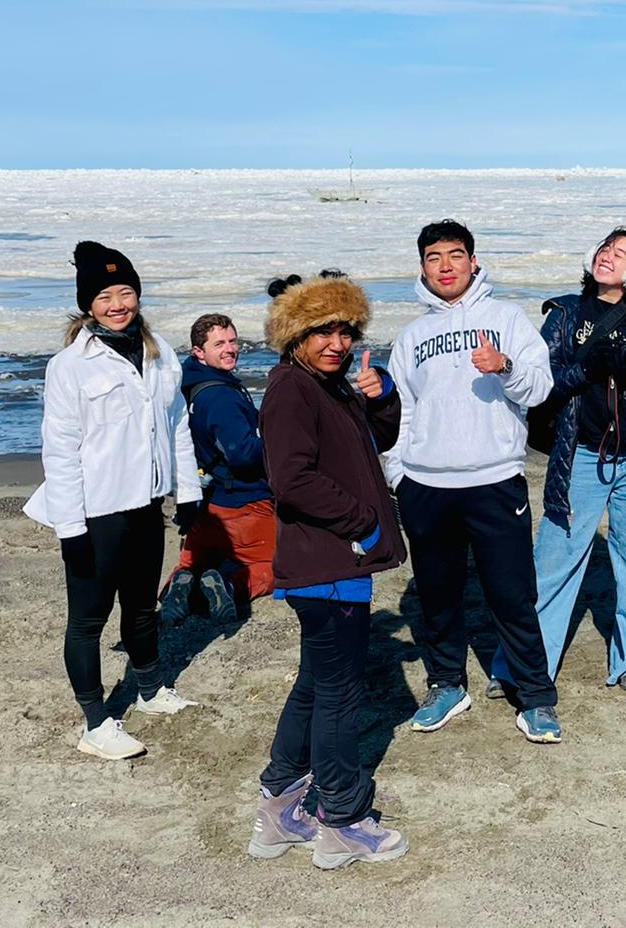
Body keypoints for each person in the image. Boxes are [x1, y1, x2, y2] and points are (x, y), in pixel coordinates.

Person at [247, 271, 410, 871]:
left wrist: (381, 393)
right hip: (329, 561)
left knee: (316, 684)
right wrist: (362, 522)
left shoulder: (332, 385)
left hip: (335, 562)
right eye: (322, 331)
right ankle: (342, 821)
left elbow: (379, 441)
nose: (336, 342)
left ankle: (279, 805)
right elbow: (290, 480)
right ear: (295, 334)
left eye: (345, 330)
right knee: (341, 695)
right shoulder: (292, 388)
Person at [23, 241, 202, 761]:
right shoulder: (69, 365)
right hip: (96, 512)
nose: (118, 303)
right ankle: (95, 721)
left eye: (126, 291)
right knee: (88, 619)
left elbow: (177, 426)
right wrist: (71, 530)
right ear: (88, 304)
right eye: (105, 295)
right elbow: (59, 450)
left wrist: (187, 493)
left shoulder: (159, 352)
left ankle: (148, 690)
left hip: (146, 506)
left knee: (143, 607)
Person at [383, 220, 559, 742]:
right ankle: (446, 684)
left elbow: (540, 388)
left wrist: (503, 366)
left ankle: (535, 698)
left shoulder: (506, 318)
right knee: (437, 594)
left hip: (494, 480)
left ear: (473, 261)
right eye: (434, 257)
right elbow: (402, 414)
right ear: (422, 267)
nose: (445, 266)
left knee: (511, 594)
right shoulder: (411, 335)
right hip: (427, 485)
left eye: (455, 255)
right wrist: (400, 474)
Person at [488, 226, 626, 696]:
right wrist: (587, 368)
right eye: (606, 248)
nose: (609, 256)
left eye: (622, 252)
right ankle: (521, 662)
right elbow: (540, 384)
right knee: (554, 558)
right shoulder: (566, 312)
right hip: (581, 451)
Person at [161, 312, 275, 625]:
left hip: (203, 507)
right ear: (199, 351)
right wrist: (280, 441)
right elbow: (243, 455)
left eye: (233, 341)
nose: (230, 348)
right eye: (219, 343)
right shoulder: (221, 397)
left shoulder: (187, 383)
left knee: (191, 564)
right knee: (282, 566)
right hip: (244, 506)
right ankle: (228, 585)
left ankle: (180, 584)